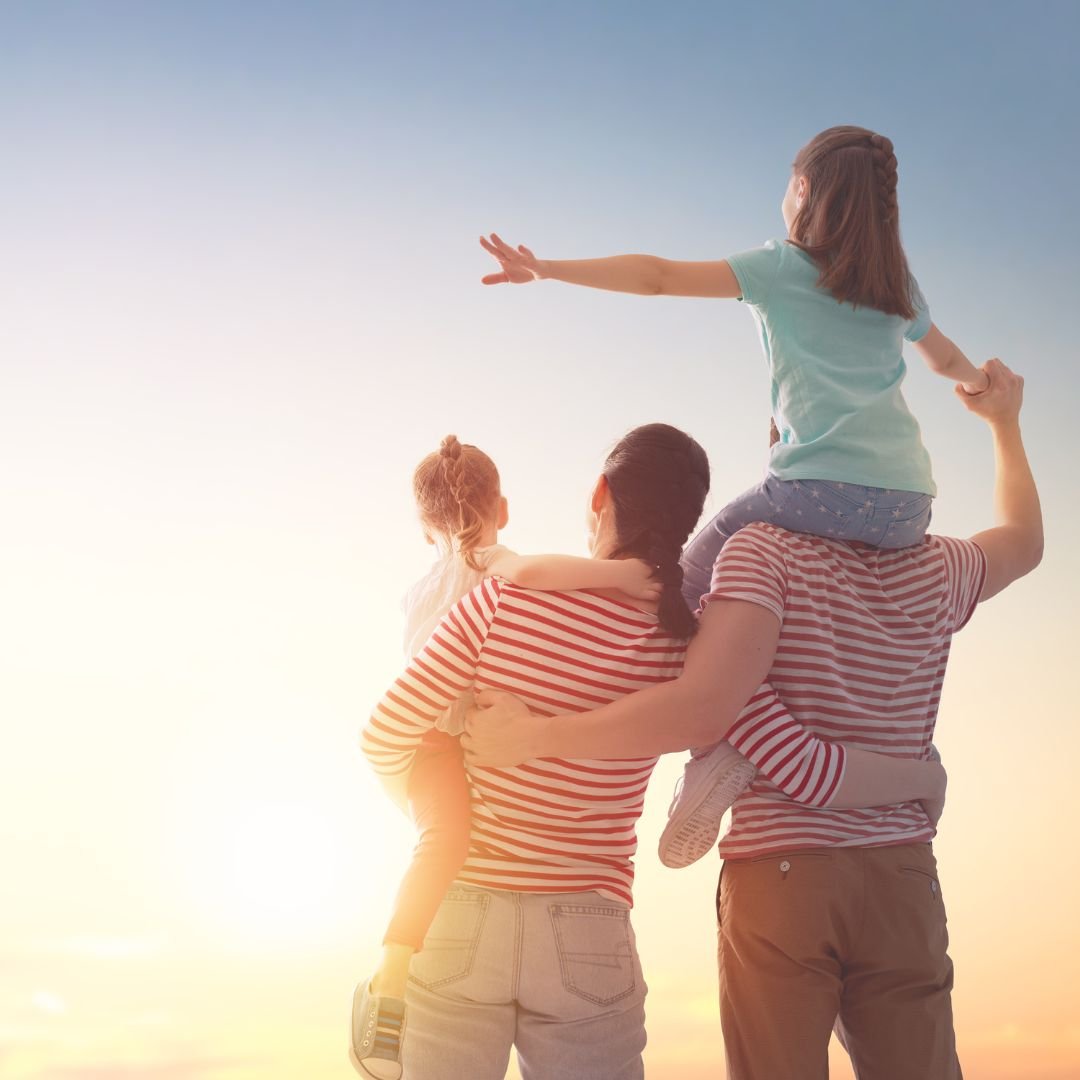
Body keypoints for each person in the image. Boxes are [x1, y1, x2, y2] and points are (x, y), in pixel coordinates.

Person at [463, 360, 1043, 1079]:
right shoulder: (939, 567)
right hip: (902, 871)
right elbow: (1024, 539)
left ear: (785, 451)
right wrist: (1005, 426)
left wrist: (538, 735)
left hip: (781, 870)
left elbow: (709, 703)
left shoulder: (761, 553)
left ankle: (716, 776)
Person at [359, 424, 945, 1080]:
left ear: (599, 493)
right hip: (588, 924)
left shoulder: (501, 601)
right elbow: (791, 757)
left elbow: (385, 735)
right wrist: (918, 777)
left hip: (458, 911)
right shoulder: (687, 647)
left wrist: (440, 825)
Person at [478, 124, 991, 829]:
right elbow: (945, 361)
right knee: (746, 609)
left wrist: (549, 269)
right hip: (908, 505)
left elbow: (657, 277)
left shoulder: (784, 267)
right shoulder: (894, 284)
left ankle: (718, 750)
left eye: (789, 181)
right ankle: (751, 736)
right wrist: (981, 385)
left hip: (819, 492)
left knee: (682, 590)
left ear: (803, 190)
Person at [350, 432, 664, 1079]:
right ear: (505, 508)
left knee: (439, 839)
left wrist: (420, 803)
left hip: (459, 895)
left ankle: (390, 970)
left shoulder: (472, 601)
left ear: (421, 524)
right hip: (588, 919)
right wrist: (634, 577)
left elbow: (384, 732)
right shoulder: (671, 631)